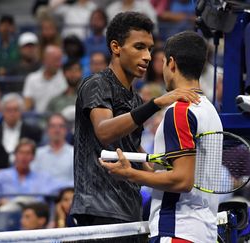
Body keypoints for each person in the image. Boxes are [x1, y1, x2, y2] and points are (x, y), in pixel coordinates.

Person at [70, 11, 200, 231]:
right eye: (140, 47)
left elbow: (134, 151)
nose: (148, 56)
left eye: (150, 48)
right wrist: (155, 104)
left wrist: (168, 176)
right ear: (116, 47)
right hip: (97, 211)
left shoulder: (135, 99)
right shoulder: (97, 84)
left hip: (131, 212)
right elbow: (104, 132)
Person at [101, 31, 222, 242]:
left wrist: (129, 174)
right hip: (202, 233)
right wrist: (142, 162)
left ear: (172, 63)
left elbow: (182, 180)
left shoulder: (180, 111)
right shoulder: (210, 110)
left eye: (164, 62)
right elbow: (179, 171)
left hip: (177, 230)